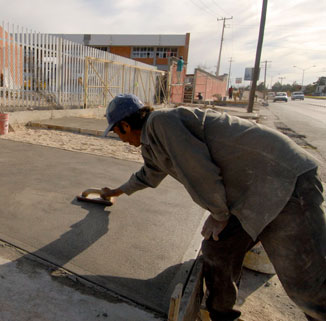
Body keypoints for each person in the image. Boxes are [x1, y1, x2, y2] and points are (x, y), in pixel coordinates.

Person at [99, 94, 326, 321]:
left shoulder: (161, 123)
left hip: (284, 181)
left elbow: (199, 170)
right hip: (251, 193)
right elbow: (148, 174)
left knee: (307, 287)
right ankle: (222, 315)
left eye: (118, 132)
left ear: (125, 125)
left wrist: (219, 214)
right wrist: (116, 192)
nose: (121, 139)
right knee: (218, 248)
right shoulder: (152, 142)